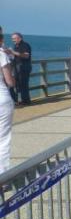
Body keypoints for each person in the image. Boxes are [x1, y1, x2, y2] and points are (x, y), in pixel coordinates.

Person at [0, 32, 15, 172]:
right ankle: (3, 176)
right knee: (3, 139)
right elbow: (10, 81)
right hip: (2, 99)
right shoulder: (1, 54)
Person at [7, 33, 32, 105]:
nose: (13, 40)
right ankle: (20, 100)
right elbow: (15, 56)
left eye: (14, 38)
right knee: (18, 84)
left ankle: (26, 101)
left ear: (20, 38)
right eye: (12, 39)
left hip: (23, 67)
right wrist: (10, 53)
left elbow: (26, 56)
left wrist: (13, 52)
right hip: (17, 66)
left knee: (23, 84)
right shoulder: (16, 46)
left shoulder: (25, 45)